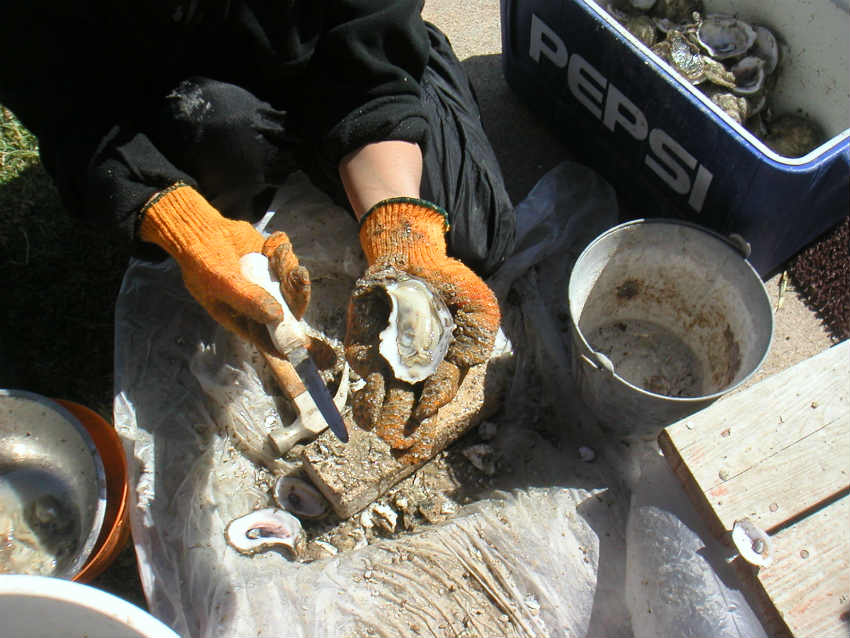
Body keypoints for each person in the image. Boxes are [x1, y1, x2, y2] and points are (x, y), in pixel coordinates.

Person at [0, 0, 516, 462]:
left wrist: (398, 225)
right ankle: (234, 179)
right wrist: (179, 219)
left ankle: (325, 151)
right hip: (171, 95)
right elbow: (63, 105)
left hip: (333, 54)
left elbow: (368, 57)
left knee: (476, 237)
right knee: (213, 125)